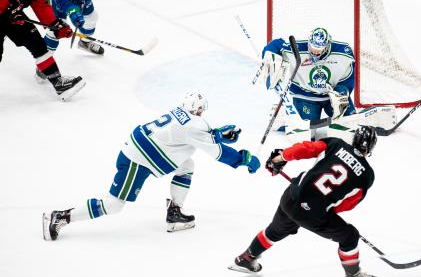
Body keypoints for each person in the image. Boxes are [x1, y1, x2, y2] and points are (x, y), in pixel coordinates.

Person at [42, 90, 261, 240]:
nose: (203, 113)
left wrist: (217, 134)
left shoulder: (180, 113)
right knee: (114, 205)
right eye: (202, 110)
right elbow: (217, 152)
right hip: (137, 160)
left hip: (140, 150)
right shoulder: (195, 125)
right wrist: (244, 158)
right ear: (199, 110)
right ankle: (62, 216)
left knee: (186, 164)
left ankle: (175, 212)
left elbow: (191, 134)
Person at [229, 126, 380, 277]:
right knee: (350, 237)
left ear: (354, 138)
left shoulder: (336, 144)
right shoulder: (367, 175)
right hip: (313, 215)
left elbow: (305, 149)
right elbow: (348, 204)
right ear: (371, 147)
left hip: (291, 198)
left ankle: (246, 258)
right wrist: (322, 206)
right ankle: (353, 275)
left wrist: (280, 158)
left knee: (275, 230)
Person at [0, 0, 84, 101]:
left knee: (38, 45)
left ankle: (59, 83)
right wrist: (7, 10)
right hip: (3, 16)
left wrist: (55, 24)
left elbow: (40, 5)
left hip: (14, 17)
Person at [258, 27, 356, 122]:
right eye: (312, 47)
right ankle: (284, 117)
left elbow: (349, 74)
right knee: (305, 126)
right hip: (305, 96)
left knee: (349, 121)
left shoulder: (343, 52)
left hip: (331, 96)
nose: (314, 52)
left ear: (327, 46)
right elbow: (277, 44)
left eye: (319, 49)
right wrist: (269, 54)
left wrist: (342, 91)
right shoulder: (297, 47)